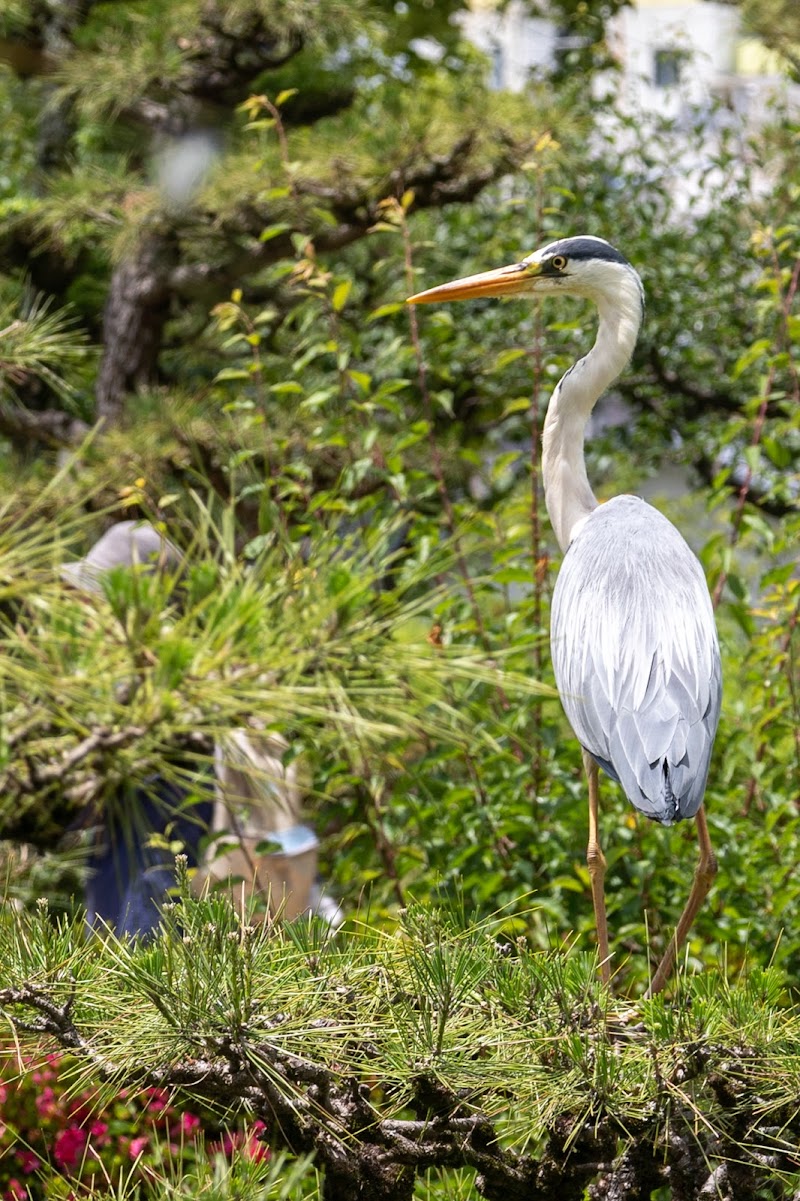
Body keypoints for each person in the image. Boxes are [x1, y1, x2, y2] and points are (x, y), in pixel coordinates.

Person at [62, 520, 212, 937]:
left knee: (139, 964)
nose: (81, 609)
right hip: (117, 877)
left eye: (98, 599)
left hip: (147, 890)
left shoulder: (167, 698)